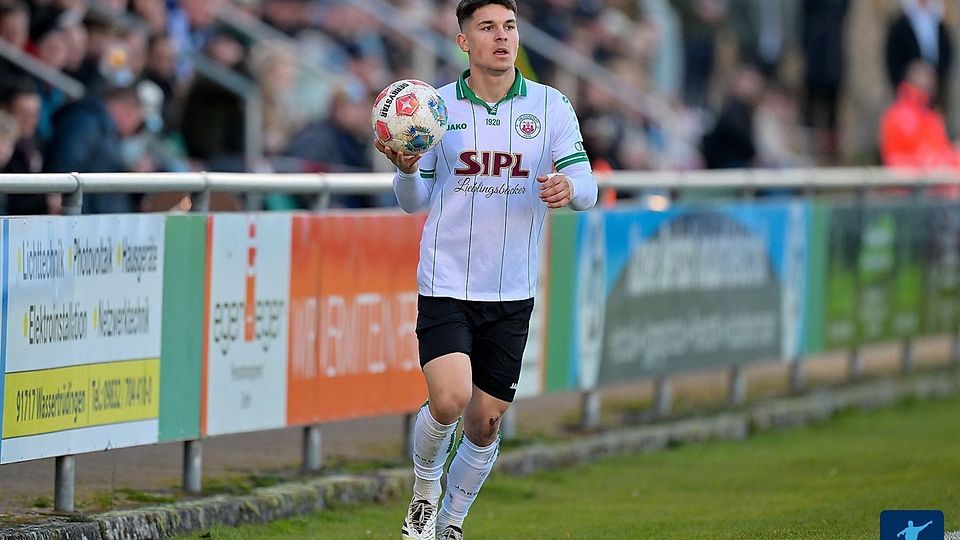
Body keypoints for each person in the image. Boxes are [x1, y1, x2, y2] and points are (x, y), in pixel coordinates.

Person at [375, 1, 598, 538]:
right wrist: (406, 171)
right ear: (463, 42)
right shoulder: (434, 109)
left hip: (512, 287)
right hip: (447, 280)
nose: (502, 37)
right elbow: (413, 201)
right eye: (488, 28)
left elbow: (587, 185)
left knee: (485, 422)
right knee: (449, 398)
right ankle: (425, 492)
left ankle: (451, 524)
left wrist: (569, 187)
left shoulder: (550, 106)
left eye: (510, 27)